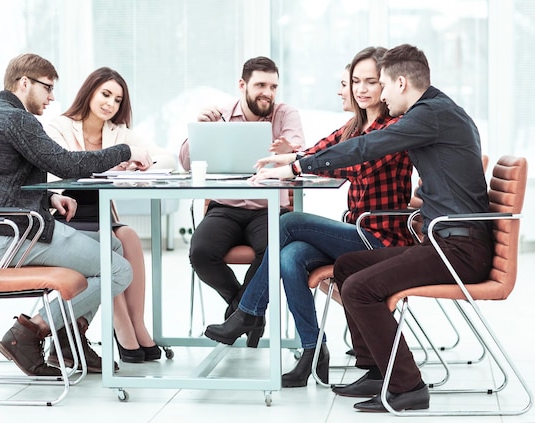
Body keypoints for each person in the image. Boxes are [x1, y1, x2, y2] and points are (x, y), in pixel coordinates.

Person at [250, 44, 493, 412]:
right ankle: (377, 369)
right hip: (445, 242)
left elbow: (369, 146)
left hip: (458, 250)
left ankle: (408, 387)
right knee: (348, 266)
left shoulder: (430, 114)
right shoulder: (437, 113)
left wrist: (298, 167)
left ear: (399, 82)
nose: (376, 93)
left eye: (380, 83)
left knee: (361, 288)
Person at [204, 47, 414, 388]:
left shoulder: (392, 128)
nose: (360, 89)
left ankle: (248, 312)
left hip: (380, 239)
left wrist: (296, 165)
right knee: (289, 256)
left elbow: (351, 162)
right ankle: (312, 351)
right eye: (355, 81)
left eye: (371, 82)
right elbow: (321, 150)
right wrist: (287, 160)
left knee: (290, 222)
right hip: (358, 230)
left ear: (387, 84)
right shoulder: (356, 124)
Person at [0, 53, 153, 376]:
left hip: (15, 230)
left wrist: (50, 196)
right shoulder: (17, 119)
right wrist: (125, 151)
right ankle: (29, 332)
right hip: (16, 237)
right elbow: (68, 164)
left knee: (115, 247)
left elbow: (0, 180)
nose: (52, 97)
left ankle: (68, 337)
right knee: (119, 271)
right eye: (47, 88)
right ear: (25, 83)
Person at [44, 67, 176, 363]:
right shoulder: (59, 126)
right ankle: (122, 327)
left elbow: (167, 158)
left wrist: (139, 166)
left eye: (117, 100)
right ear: (89, 92)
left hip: (101, 211)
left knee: (127, 235)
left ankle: (137, 323)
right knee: (108, 245)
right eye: (105, 94)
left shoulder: (118, 132)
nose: (110, 104)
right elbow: (60, 169)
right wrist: (109, 164)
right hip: (65, 212)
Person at [178, 56, 305, 317]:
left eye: (273, 87)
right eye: (260, 85)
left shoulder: (285, 114)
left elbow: (300, 153)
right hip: (225, 206)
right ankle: (245, 312)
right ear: (242, 85)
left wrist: (289, 151)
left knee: (271, 252)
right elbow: (186, 163)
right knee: (201, 253)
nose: (267, 93)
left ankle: (241, 315)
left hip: (268, 207)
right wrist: (201, 131)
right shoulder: (220, 116)